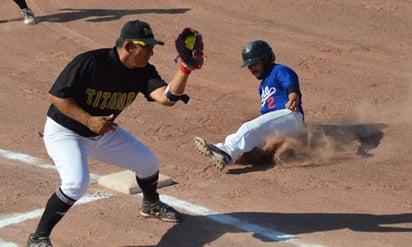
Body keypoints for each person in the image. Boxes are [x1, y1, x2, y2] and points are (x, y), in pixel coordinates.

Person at [27, 20, 201, 246]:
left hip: (103, 132)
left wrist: (185, 69)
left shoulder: (143, 71)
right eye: (146, 47)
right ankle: (38, 238)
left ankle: (151, 204)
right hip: (65, 131)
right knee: (75, 183)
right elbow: (57, 96)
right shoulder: (90, 62)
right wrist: (88, 120)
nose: (151, 51)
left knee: (148, 163)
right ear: (129, 46)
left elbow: (166, 98)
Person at [193, 40, 304, 170]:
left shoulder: (279, 70)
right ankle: (228, 157)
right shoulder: (262, 86)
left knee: (248, 128)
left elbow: (291, 85)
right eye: (249, 65)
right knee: (235, 137)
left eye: (254, 63)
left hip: (290, 115)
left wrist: (293, 96)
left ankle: (227, 152)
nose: (251, 68)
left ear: (266, 59)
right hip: (279, 126)